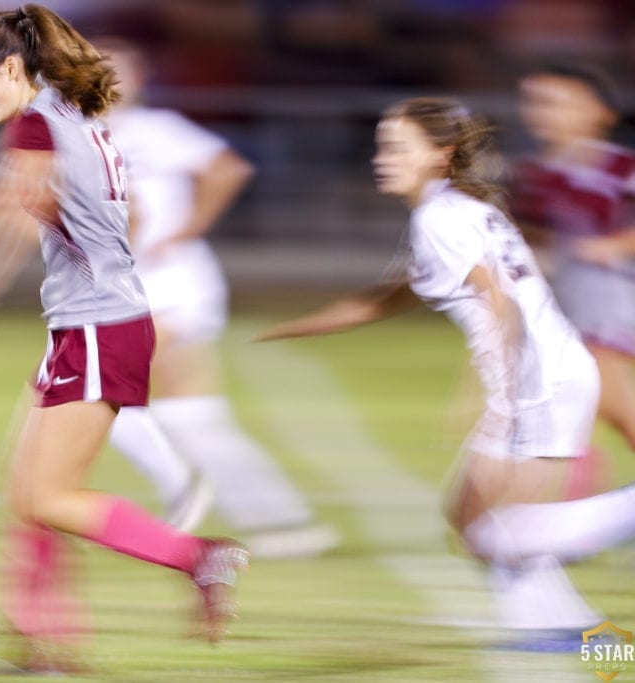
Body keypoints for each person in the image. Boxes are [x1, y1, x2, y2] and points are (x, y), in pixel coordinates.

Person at [258, 97, 635, 641]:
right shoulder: (452, 211)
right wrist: (284, 329)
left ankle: (620, 523)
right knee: (473, 523)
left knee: (489, 530)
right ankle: (573, 634)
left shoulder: (441, 218)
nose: (381, 157)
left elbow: (497, 300)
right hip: (550, 372)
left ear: (440, 155)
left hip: (537, 380)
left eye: (396, 147)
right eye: (382, 145)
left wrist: (483, 396)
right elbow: (380, 302)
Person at [0, 5, 248, 669]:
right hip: (94, 325)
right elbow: (121, 207)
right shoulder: (78, 117)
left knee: (49, 496)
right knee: (27, 489)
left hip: (97, 331)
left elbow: (12, 210)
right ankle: (43, 644)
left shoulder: (35, 121)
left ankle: (197, 556)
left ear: (13, 67)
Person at [98, 39, 338, 557]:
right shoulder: (84, 135)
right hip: (132, 288)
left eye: (119, 69)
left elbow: (228, 169)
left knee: (99, 390)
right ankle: (285, 522)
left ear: (139, 79)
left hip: (172, 283)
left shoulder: (154, 130)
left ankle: (181, 487)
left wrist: (184, 231)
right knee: (195, 416)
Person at [513, 63, 635, 462]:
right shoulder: (536, 177)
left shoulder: (622, 167)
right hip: (572, 302)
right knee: (583, 403)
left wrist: (613, 245)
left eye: (555, 103)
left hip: (614, 298)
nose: (542, 112)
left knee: (608, 401)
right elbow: (532, 236)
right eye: (535, 102)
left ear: (600, 112)